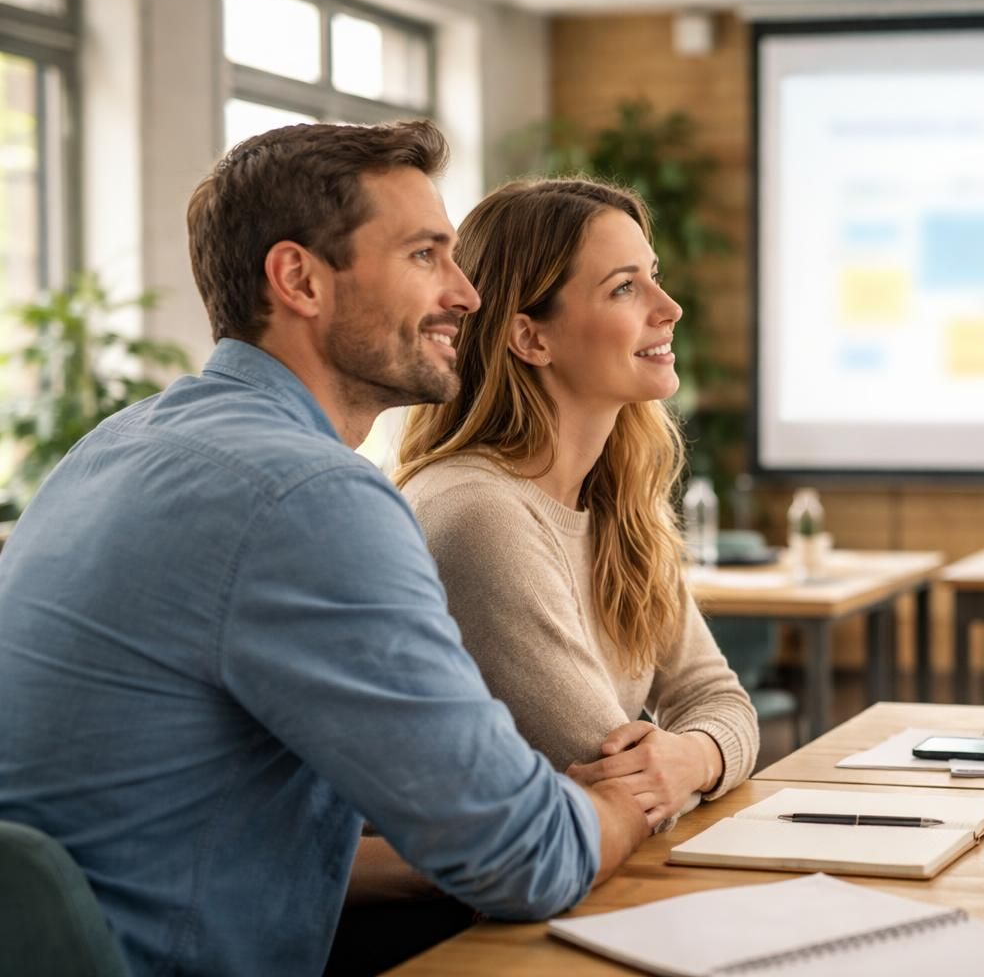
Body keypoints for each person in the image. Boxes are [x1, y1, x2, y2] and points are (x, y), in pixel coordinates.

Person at [0, 123, 649, 977]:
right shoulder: (309, 498)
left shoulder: (117, 445)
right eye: (425, 256)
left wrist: (476, 849)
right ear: (298, 279)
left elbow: (205, 841)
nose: (468, 294)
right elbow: (531, 857)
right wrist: (629, 802)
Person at [395, 179, 759, 831]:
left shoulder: (616, 502)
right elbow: (618, 786)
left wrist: (696, 758)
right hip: (468, 924)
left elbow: (718, 701)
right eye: (625, 287)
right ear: (531, 339)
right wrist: (683, 766)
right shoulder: (480, 515)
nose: (670, 307)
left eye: (654, 276)